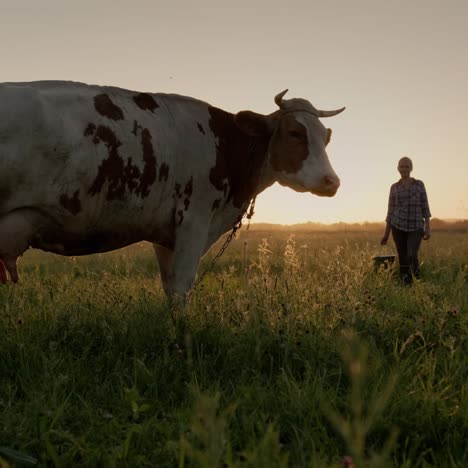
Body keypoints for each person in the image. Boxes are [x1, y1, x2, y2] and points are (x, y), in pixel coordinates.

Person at [381, 156, 431, 284]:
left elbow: (425, 206)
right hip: (398, 226)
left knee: (411, 255)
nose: (404, 169)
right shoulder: (394, 187)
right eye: (401, 166)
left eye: (407, 166)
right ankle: (405, 284)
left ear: (411, 168)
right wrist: (386, 234)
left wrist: (428, 228)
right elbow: (390, 211)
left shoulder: (419, 185)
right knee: (402, 257)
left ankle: (417, 282)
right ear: (398, 168)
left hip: (416, 226)